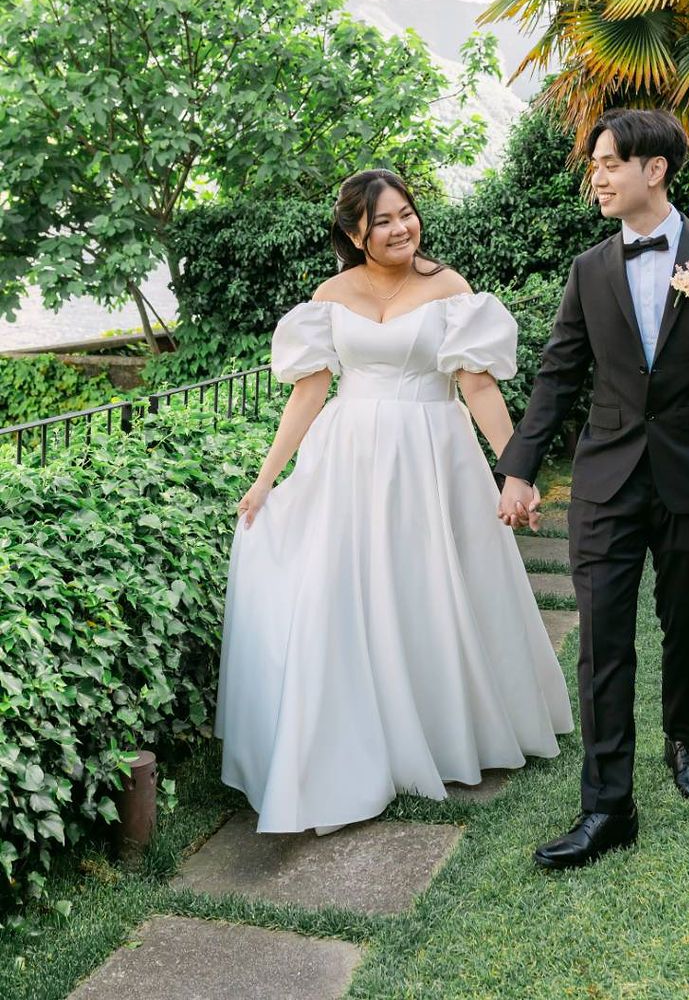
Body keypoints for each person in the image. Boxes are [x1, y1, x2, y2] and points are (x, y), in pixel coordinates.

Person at [215, 169, 572, 833]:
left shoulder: (450, 289)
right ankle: (359, 734)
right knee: (346, 591)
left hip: (434, 454)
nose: (401, 227)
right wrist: (265, 479)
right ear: (356, 233)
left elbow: (479, 388)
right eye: (382, 220)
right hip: (349, 457)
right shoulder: (330, 297)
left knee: (434, 585)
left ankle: (445, 730)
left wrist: (516, 471)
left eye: (406, 213)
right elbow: (309, 392)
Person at [495, 108, 689, 870]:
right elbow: (558, 375)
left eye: (610, 162)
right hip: (606, 479)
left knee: (688, 620)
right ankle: (608, 805)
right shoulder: (588, 270)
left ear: (655, 170)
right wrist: (519, 467)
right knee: (603, 641)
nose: (598, 177)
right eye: (595, 165)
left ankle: (684, 740)